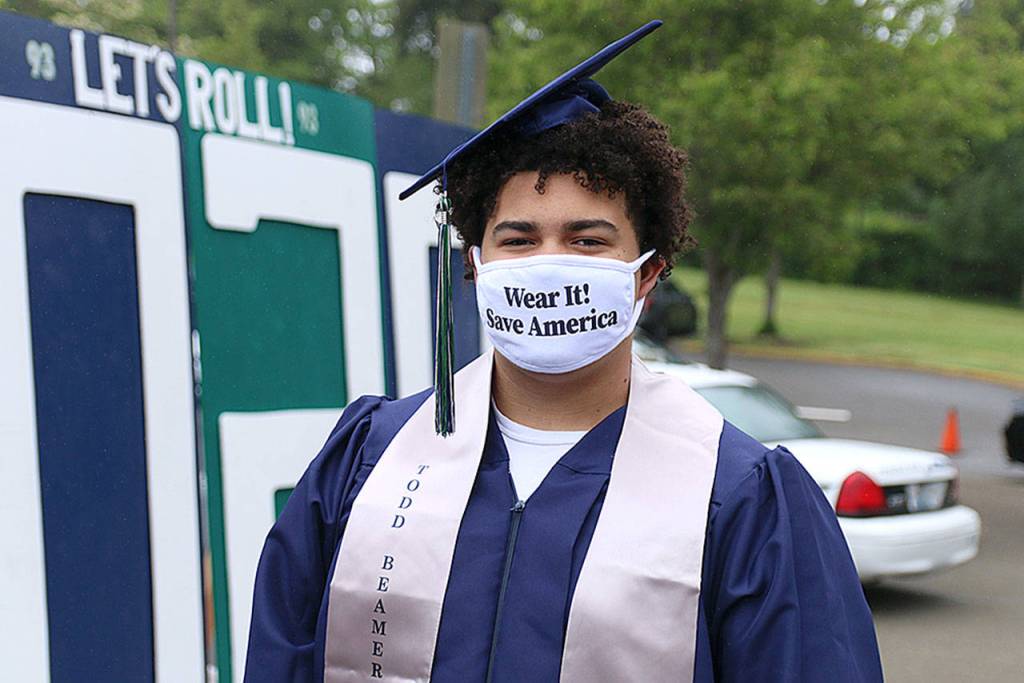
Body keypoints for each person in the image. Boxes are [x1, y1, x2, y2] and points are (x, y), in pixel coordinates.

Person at [244, 21, 883, 682]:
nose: (549, 264)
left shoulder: (742, 500)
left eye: (587, 240)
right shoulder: (368, 460)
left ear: (647, 272)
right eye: (518, 239)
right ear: (474, 262)